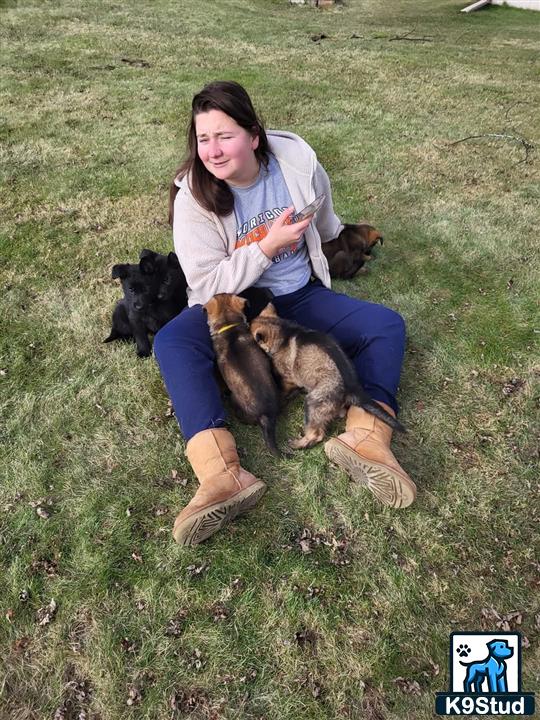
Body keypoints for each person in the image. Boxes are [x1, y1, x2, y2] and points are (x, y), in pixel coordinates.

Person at [154, 81, 416, 546]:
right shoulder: (194, 199)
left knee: (385, 325)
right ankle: (222, 474)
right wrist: (264, 247)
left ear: (254, 135)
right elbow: (206, 286)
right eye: (203, 138)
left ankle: (366, 439)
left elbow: (325, 215)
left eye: (225, 135)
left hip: (299, 293)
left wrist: (334, 237)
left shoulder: (295, 161)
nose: (212, 150)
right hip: (238, 299)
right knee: (173, 341)